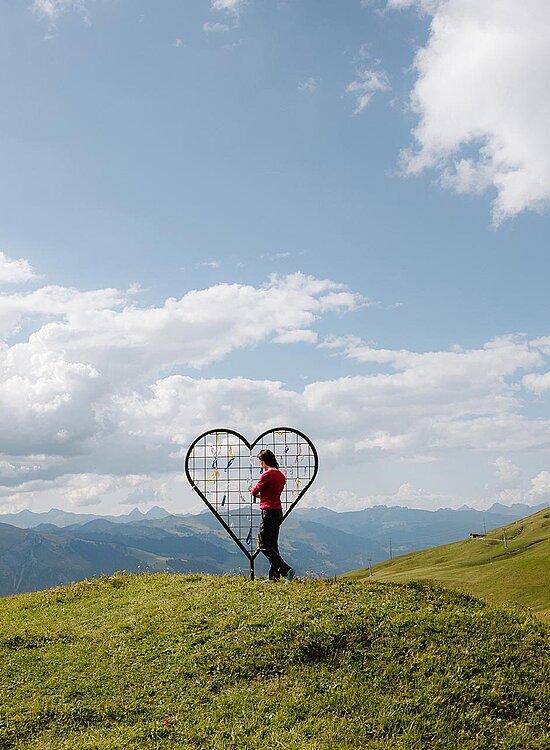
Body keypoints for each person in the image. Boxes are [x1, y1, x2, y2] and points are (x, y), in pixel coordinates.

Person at [250, 448, 295, 583]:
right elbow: (271, 494)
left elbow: (255, 491)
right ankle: (274, 577)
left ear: (264, 462)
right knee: (273, 544)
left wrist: (251, 490)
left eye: (260, 462)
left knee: (263, 543)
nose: (260, 465)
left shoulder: (267, 475)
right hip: (277, 511)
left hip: (268, 511)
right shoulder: (281, 476)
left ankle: (286, 570)